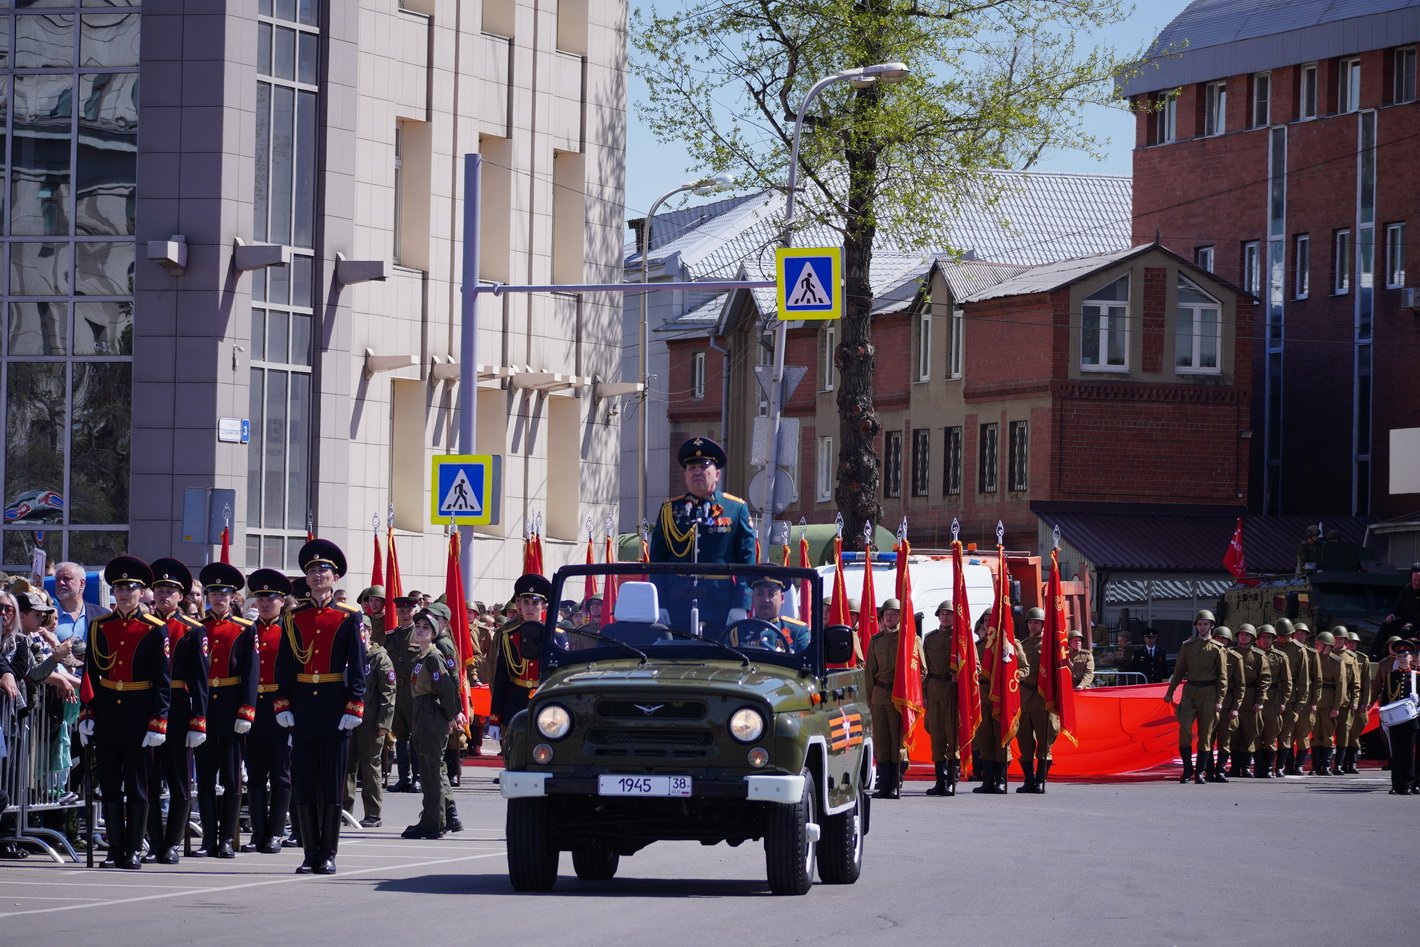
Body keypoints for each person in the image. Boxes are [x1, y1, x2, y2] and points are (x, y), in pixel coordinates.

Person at [275, 539, 366, 875]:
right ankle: (308, 850)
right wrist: (282, 702)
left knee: (330, 783)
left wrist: (354, 704)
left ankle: (328, 852)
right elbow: (284, 665)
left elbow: (357, 666)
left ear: (335, 577)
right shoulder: (293, 618)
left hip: (333, 706)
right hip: (302, 707)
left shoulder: (347, 617)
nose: (317, 575)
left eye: (323, 570)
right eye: (312, 570)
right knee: (304, 781)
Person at [77, 557, 170, 870]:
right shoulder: (99, 626)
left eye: (130, 587)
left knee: (137, 786)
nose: (124, 593)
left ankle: (133, 848)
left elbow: (162, 681)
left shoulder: (155, 629)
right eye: (118, 587)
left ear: (141, 591)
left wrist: (158, 721)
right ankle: (115, 847)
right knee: (111, 785)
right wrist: (87, 713)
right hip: (107, 715)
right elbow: (89, 673)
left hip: (139, 715)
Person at [648, 436, 756, 634]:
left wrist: (741, 604)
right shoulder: (669, 510)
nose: (697, 472)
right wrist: (659, 603)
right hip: (676, 603)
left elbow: (746, 562)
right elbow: (657, 562)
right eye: (691, 468)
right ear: (685, 474)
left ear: (717, 474)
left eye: (703, 466)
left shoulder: (735, 508)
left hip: (720, 604)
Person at [145, 558, 208, 865]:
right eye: (159, 588)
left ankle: (172, 842)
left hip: (180, 710)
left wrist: (198, 720)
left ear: (181, 595)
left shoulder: (192, 630)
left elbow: (200, 680)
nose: (164, 595)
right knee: (148, 779)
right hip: (146, 708)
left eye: (171, 590)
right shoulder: (143, 624)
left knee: (179, 779)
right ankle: (154, 840)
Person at [195, 561, 257, 858]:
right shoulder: (198, 628)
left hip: (231, 706)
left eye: (224, 593)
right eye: (213, 593)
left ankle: (226, 839)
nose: (218, 598)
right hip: (205, 706)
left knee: (232, 778)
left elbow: (251, 673)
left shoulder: (244, 629)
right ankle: (208, 837)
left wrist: (246, 710)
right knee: (206, 776)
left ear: (233, 597)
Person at [243, 569, 294, 854]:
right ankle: (258, 832)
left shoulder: (288, 630)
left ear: (282, 600)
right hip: (254, 708)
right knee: (255, 772)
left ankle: (276, 831)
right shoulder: (248, 630)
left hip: (279, 706)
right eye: (260, 597)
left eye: (270, 598)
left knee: (281, 773)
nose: (264, 603)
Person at [401, 608, 462, 839]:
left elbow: (446, 689)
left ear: (434, 632)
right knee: (428, 770)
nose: (420, 630)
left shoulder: (434, 656)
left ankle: (432, 822)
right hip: (422, 712)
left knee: (431, 770)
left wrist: (450, 716)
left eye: (426, 627)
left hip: (430, 714)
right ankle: (436, 819)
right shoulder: (422, 656)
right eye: (418, 627)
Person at [864, 597, 922, 800]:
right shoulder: (875, 641)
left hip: (901, 699)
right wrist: (870, 699)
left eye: (894, 613)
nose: (890, 617)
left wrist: (912, 696)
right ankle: (884, 784)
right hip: (880, 696)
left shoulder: (910, 641)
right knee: (881, 740)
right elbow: (869, 672)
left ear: (901, 616)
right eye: (886, 614)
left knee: (899, 741)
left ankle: (896, 783)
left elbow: (920, 671)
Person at [1163, 610, 1227, 785]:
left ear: (1212, 626)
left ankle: (1200, 772)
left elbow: (1223, 677)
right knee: (1184, 729)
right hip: (1190, 691)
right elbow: (1179, 671)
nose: (1202, 627)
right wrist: (1170, 693)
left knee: (1205, 734)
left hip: (1209, 693)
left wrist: (1220, 700)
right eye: (1200, 624)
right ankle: (1187, 770)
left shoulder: (1218, 648)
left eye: (1206, 624)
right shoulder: (1187, 646)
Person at [346, 611, 395, 828]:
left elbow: (389, 693)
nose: (360, 635)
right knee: (346, 767)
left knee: (370, 767)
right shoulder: (347, 656)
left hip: (371, 722)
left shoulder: (379, 658)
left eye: (363, 630)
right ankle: (344, 811)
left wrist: (384, 724)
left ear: (369, 632)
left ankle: (373, 813)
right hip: (347, 719)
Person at [490, 574, 549, 742]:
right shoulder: (509, 636)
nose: (530, 608)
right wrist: (495, 718)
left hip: (545, 701)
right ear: (519, 605)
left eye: (535, 603)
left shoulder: (555, 637)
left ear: (544, 606)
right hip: (515, 702)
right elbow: (501, 678)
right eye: (526, 602)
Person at [1016, 607, 1058, 793]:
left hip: (1043, 700)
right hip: (1024, 698)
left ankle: (1041, 780)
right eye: (1030, 622)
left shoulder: (1051, 646)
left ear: (1043, 625)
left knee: (1044, 740)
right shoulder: (1022, 645)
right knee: (1024, 740)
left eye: (1036, 622)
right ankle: (1029, 779)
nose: (1033, 626)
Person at [385, 592, 420, 793]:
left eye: (409, 610)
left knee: (415, 737)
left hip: (414, 692)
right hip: (396, 693)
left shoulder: (420, 633)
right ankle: (403, 778)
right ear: (397, 612)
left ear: (415, 611)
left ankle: (416, 777)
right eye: (402, 610)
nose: (406, 614)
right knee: (400, 737)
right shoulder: (391, 636)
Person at [922, 600, 959, 796]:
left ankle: (952, 779)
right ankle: (940, 780)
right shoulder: (930, 639)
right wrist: (924, 695)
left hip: (954, 692)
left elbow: (974, 668)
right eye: (942, 614)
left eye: (949, 614)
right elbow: (924, 670)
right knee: (937, 737)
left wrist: (959, 675)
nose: (945, 617)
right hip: (935, 690)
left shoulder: (961, 639)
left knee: (953, 736)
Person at [1226, 624, 1271, 778]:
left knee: (1250, 733)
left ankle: (1245, 767)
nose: (1243, 637)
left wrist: (1260, 700)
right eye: (1241, 634)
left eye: (1247, 635)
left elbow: (1265, 680)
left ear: (1252, 638)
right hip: (1232, 697)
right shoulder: (1229, 654)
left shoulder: (1258, 656)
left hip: (1250, 696)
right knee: (1232, 732)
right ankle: (1234, 767)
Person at [1309, 629, 1356, 777]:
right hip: (1315, 701)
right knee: (1315, 735)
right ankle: (1316, 766)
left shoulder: (1336, 661)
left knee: (1328, 735)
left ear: (1327, 646)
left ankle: (1326, 766)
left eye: (1319, 643)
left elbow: (1341, 686)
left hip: (1329, 703)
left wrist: (1336, 707)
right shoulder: (1312, 658)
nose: (1316, 645)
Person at [726, 577, 809, 652]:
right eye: (760, 594)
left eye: (771, 594)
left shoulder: (797, 632)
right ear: (753, 597)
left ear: (782, 598)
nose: (765, 600)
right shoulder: (738, 632)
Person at [1379, 640, 1418, 794]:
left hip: (1411, 721)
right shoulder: (1390, 676)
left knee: (1409, 754)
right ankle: (1396, 784)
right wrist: (1383, 718)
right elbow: (1385, 699)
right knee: (1395, 753)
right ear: (1396, 658)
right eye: (1400, 656)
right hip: (1395, 720)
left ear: (1411, 658)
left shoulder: (1416, 676)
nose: (1402, 658)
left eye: (1405, 656)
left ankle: (1408, 784)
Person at [1254, 624, 1292, 778]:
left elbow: (1287, 682)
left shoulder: (1280, 657)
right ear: (1258, 639)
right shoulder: (1252, 655)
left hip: (1273, 699)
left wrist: (1283, 701)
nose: (1265, 640)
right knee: (1255, 735)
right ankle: (1257, 767)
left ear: (1273, 639)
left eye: (1268, 637)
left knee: (1271, 735)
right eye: (1262, 636)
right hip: (1254, 698)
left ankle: (1269, 768)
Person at [52, 561, 110, 645]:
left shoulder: (103, 615)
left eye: (66, 578)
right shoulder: (46, 618)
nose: (60, 583)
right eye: (58, 579)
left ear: (82, 583)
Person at [1342, 629, 1373, 774]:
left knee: (1355, 731)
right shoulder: (1340, 656)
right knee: (1343, 731)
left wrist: (1364, 703)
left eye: (1354, 643)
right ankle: (1340, 763)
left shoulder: (1362, 659)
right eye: (1349, 642)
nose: (1351, 645)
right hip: (1343, 697)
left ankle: (1352, 763)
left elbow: (1366, 683)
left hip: (1358, 697)